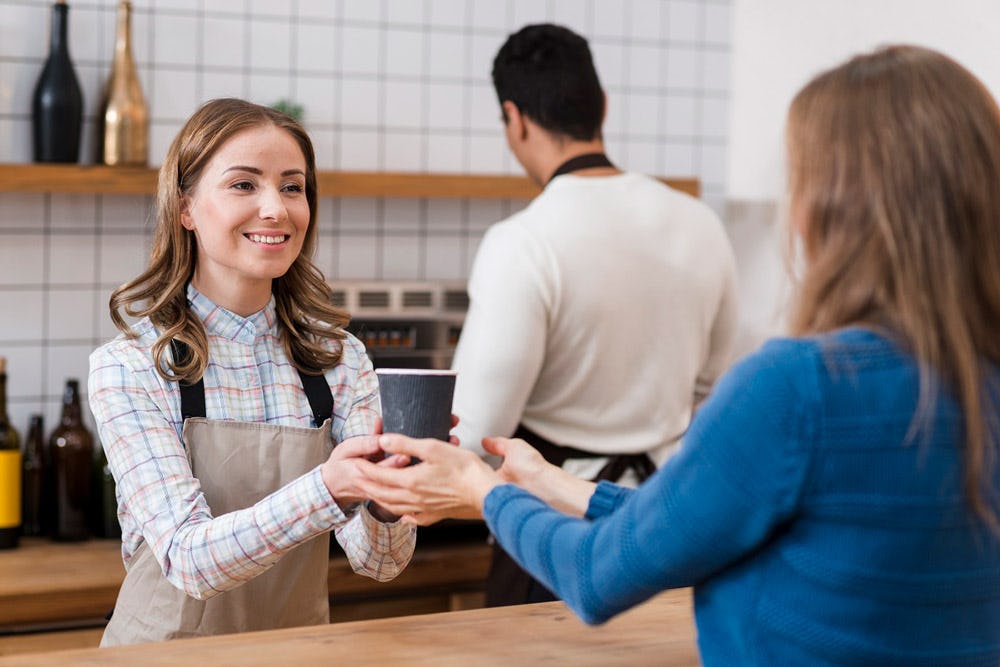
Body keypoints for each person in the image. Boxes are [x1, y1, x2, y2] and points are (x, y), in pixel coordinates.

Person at [358, 45, 1000, 665]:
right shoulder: (702, 227)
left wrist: (483, 490)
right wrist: (553, 484)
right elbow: (699, 499)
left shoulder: (796, 388)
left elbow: (595, 570)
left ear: (828, 208)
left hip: (571, 557)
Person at [88, 98, 415, 646]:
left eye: (292, 187)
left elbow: (378, 563)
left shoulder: (339, 359)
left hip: (295, 654)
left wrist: (388, 493)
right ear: (185, 208)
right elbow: (189, 560)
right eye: (244, 184)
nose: (275, 209)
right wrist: (330, 488)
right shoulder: (131, 367)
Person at [451, 23, 739, 607]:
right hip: (666, 526)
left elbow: (475, 427)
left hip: (554, 538)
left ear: (515, 119)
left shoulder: (522, 241)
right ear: (602, 105)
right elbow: (713, 385)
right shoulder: (699, 223)